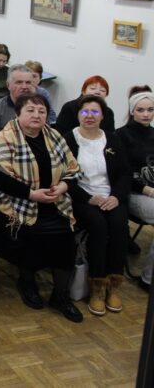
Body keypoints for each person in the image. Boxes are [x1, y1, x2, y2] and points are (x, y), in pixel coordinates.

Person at [0, 93, 83, 322]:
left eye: (42, 111)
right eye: (30, 110)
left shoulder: (54, 136)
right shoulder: (6, 138)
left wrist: (63, 187)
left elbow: (73, 169)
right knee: (31, 231)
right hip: (18, 202)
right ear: (18, 113)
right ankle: (27, 283)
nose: (36, 115)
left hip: (54, 202)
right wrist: (31, 194)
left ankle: (60, 296)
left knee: (66, 235)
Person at [63, 95, 130, 315]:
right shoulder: (69, 140)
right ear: (78, 115)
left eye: (95, 112)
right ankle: (97, 286)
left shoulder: (112, 139)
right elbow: (64, 177)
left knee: (119, 224)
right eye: (85, 112)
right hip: (82, 198)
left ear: (102, 116)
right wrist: (87, 198)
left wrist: (116, 197)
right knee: (98, 225)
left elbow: (124, 174)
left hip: (110, 196)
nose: (89, 116)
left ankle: (114, 283)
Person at [116, 88, 154, 293]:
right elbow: (122, 173)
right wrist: (146, 189)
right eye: (141, 110)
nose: (146, 114)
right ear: (132, 111)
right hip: (133, 194)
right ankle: (148, 279)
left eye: (150, 110)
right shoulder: (121, 135)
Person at [0, 64, 36, 147]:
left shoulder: (39, 109)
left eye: (28, 83)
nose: (24, 87)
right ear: (8, 85)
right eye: (19, 82)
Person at [25, 60, 56, 124]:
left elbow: (51, 114)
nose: (31, 79)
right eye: (28, 76)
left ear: (40, 78)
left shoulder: (43, 93)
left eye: (34, 76)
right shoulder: (19, 91)